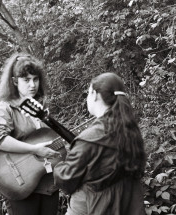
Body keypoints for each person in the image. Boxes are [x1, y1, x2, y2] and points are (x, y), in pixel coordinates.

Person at [54, 72, 146, 215]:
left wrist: (57, 163)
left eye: (88, 93)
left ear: (95, 94)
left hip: (97, 207)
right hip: (128, 205)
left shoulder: (89, 138)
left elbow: (67, 180)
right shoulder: (131, 131)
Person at [0, 53, 61, 215]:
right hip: (21, 185)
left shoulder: (40, 107)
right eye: (26, 80)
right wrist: (34, 150)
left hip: (48, 186)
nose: (32, 84)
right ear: (14, 81)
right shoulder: (5, 108)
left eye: (36, 79)